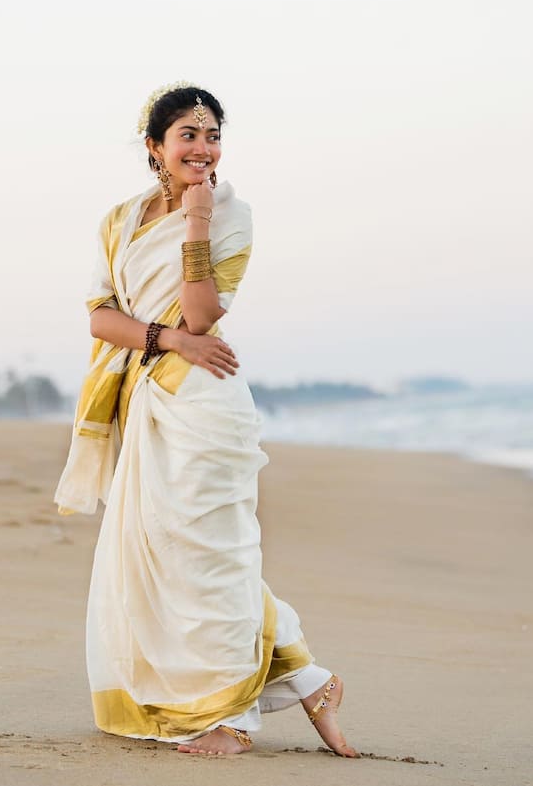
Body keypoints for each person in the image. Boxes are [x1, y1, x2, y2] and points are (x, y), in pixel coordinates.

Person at [55, 83, 358, 757]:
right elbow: (101, 315)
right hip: (152, 398)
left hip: (206, 405)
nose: (203, 147)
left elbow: (201, 315)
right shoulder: (120, 218)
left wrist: (196, 222)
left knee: (213, 553)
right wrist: (164, 340)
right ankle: (311, 682)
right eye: (188, 136)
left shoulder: (232, 214)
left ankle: (235, 719)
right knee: (169, 553)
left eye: (212, 135)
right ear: (154, 148)